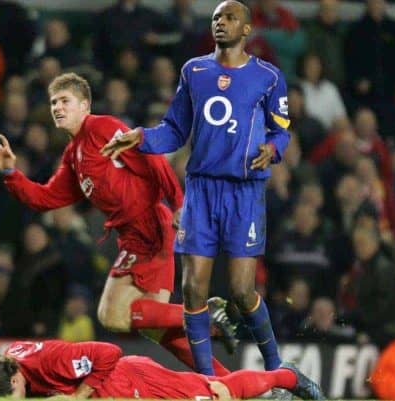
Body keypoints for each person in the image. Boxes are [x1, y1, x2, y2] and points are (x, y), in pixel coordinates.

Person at [0, 72, 237, 372]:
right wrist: (10, 173)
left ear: (84, 106)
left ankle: (205, 315)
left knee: (111, 316)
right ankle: (225, 383)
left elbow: (152, 157)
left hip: (149, 229)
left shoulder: (101, 127)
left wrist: (180, 203)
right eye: (54, 102)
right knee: (155, 326)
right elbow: (45, 198)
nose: (57, 108)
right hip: (135, 233)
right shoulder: (73, 155)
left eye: (65, 101)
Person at [102, 0, 289, 377]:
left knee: (241, 290)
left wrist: (273, 149)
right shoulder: (194, 70)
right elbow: (175, 129)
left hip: (244, 192)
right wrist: (140, 137)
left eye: (230, 17)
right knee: (192, 290)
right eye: (217, 17)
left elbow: (281, 129)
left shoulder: (268, 77)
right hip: (201, 190)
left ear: (247, 29)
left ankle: (278, 371)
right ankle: (207, 383)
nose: (221, 22)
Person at [0, 340, 325, 400]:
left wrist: (76, 396)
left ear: (16, 379)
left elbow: (107, 351)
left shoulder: (51, 363)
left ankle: (288, 376)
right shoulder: (8, 364)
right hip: (123, 385)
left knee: (219, 392)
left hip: (133, 384)